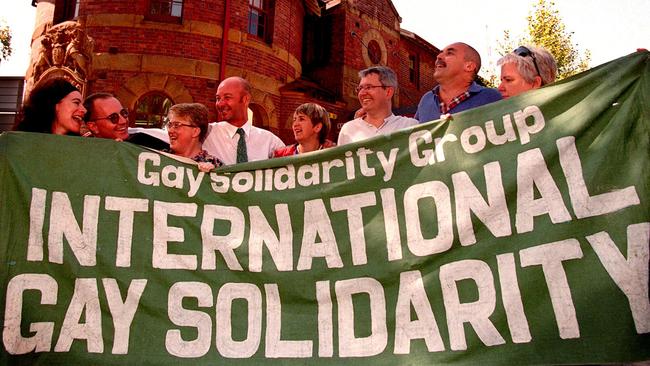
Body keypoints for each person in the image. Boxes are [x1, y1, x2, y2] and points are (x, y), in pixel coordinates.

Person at [203, 76, 285, 165]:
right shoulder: (205, 133)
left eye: (227, 97)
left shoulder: (270, 141)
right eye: (218, 98)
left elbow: (292, 166)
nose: (220, 104)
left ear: (245, 99)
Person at [414, 42, 501, 123]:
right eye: (440, 52)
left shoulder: (492, 97)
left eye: (449, 53)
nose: (439, 56)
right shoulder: (426, 100)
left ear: (469, 66)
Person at [338, 66, 418, 145]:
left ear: (388, 92)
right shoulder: (348, 130)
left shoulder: (410, 126)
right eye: (360, 88)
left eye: (369, 87)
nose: (362, 93)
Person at [83, 92, 169, 150]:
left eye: (123, 113)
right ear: (93, 127)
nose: (123, 121)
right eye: (113, 118)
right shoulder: (84, 149)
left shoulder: (144, 141)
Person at [14, 78, 87, 135]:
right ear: (54, 105)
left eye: (83, 105)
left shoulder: (81, 147)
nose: (84, 110)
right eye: (76, 102)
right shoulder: (21, 141)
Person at [165, 103, 223, 172]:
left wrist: (214, 173)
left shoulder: (214, 164)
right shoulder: (158, 158)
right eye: (170, 125)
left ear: (195, 131)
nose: (170, 130)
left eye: (177, 125)